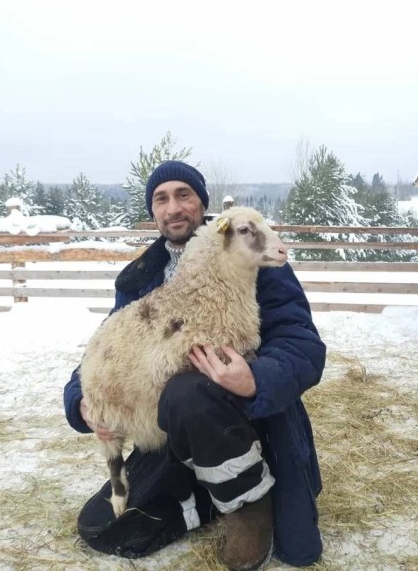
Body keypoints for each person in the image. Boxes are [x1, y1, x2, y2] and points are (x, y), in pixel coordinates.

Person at [63, 160, 326, 570]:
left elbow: (304, 346)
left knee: (188, 387)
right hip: (171, 431)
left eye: (183, 195)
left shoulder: (252, 261)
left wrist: (255, 379)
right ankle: (203, 498)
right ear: (153, 212)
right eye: (161, 199)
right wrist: (82, 403)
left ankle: (248, 505)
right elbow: (106, 347)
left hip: (246, 419)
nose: (173, 208)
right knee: (100, 528)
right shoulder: (140, 278)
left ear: (202, 204)